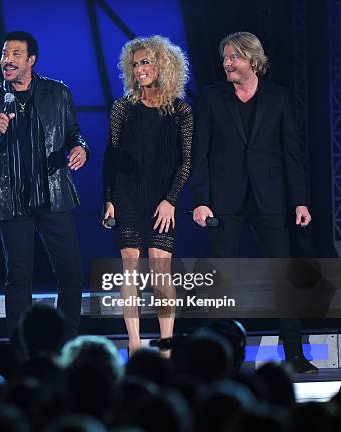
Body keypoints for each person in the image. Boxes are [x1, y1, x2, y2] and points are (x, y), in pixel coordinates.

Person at [191, 31, 316, 373]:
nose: (226, 63)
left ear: (252, 60)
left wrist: (300, 201)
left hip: (270, 197)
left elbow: (291, 152)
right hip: (223, 200)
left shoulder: (278, 98)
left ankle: (293, 353)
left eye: (233, 57)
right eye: (225, 57)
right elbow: (198, 153)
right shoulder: (212, 98)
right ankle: (222, 357)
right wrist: (200, 200)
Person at [0, 31, 89, 341]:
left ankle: (66, 340)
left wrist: (80, 147)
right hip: (12, 200)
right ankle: (20, 344)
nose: (7, 60)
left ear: (31, 60)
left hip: (53, 194)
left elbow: (73, 132)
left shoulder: (56, 92)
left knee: (71, 274)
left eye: (14, 54)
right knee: (19, 278)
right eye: (4, 54)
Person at [102, 36, 193, 355]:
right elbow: (111, 156)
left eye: (146, 62)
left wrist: (171, 200)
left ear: (163, 65)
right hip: (127, 195)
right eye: (136, 63)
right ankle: (134, 342)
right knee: (130, 266)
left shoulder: (181, 110)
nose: (140, 69)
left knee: (160, 268)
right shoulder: (122, 108)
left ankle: (166, 345)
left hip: (162, 199)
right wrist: (109, 198)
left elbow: (186, 160)